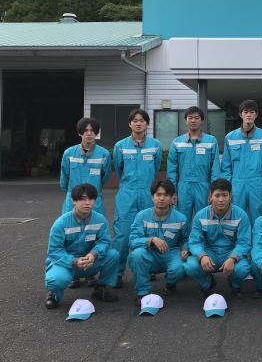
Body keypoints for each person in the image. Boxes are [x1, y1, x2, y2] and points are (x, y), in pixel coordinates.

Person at [44, 183, 119, 309]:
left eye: (91, 199)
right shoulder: (61, 223)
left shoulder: (100, 219)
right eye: (83, 199)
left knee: (113, 255)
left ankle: (101, 288)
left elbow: (104, 241)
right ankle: (54, 294)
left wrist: (93, 254)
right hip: (66, 264)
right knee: (56, 280)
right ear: (73, 200)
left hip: (89, 262)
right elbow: (54, 251)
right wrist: (74, 261)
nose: (87, 203)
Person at [112, 109, 163, 286]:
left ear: (147, 123)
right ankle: (116, 274)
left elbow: (156, 169)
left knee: (149, 232)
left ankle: (147, 269)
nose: (138, 123)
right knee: (122, 235)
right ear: (130, 124)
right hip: (127, 194)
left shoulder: (155, 145)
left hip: (148, 194)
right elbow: (118, 169)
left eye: (142, 120)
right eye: (135, 120)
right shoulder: (120, 146)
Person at [185, 178, 252, 298]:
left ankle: (235, 284)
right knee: (190, 266)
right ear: (210, 196)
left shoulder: (241, 215)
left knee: (243, 268)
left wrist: (233, 258)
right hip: (209, 253)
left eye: (224, 195)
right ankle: (208, 284)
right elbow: (195, 242)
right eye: (217, 195)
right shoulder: (200, 216)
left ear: (230, 196)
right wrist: (202, 256)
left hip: (231, 251)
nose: (221, 199)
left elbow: (244, 242)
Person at [128, 180, 189, 304]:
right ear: (152, 197)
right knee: (136, 255)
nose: (162, 198)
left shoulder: (181, 218)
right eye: (158, 195)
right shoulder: (142, 216)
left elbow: (186, 239)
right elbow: (132, 240)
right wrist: (151, 240)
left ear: (172, 198)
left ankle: (170, 283)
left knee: (181, 267)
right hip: (149, 253)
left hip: (171, 253)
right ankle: (143, 293)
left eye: (166, 195)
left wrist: (185, 249)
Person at [221, 100, 262, 222]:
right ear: (241, 114)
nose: (249, 115)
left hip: (257, 183)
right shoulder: (230, 137)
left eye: (252, 112)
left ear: (256, 114)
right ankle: (239, 235)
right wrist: (227, 187)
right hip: (236, 184)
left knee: (258, 216)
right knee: (236, 215)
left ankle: (257, 235)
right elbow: (226, 166)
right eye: (246, 112)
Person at [167, 106, 221, 222]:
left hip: (204, 187)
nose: (193, 121)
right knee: (182, 219)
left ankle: (203, 235)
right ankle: (183, 235)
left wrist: (213, 190)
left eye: (196, 118)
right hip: (183, 187)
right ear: (185, 120)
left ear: (202, 120)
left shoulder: (211, 141)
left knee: (205, 218)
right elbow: (171, 170)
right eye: (190, 118)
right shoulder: (177, 142)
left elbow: (215, 168)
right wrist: (173, 191)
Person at [59, 117, 111, 214]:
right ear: (80, 133)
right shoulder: (69, 153)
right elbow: (64, 179)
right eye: (86, 130)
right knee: (70, 223)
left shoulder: (104, 154)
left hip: (94, 203)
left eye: (92, 130)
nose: (89, 133)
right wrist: (73, 194)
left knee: (95, 223)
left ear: (96, 133)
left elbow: (105, 178)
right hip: (72, 202)